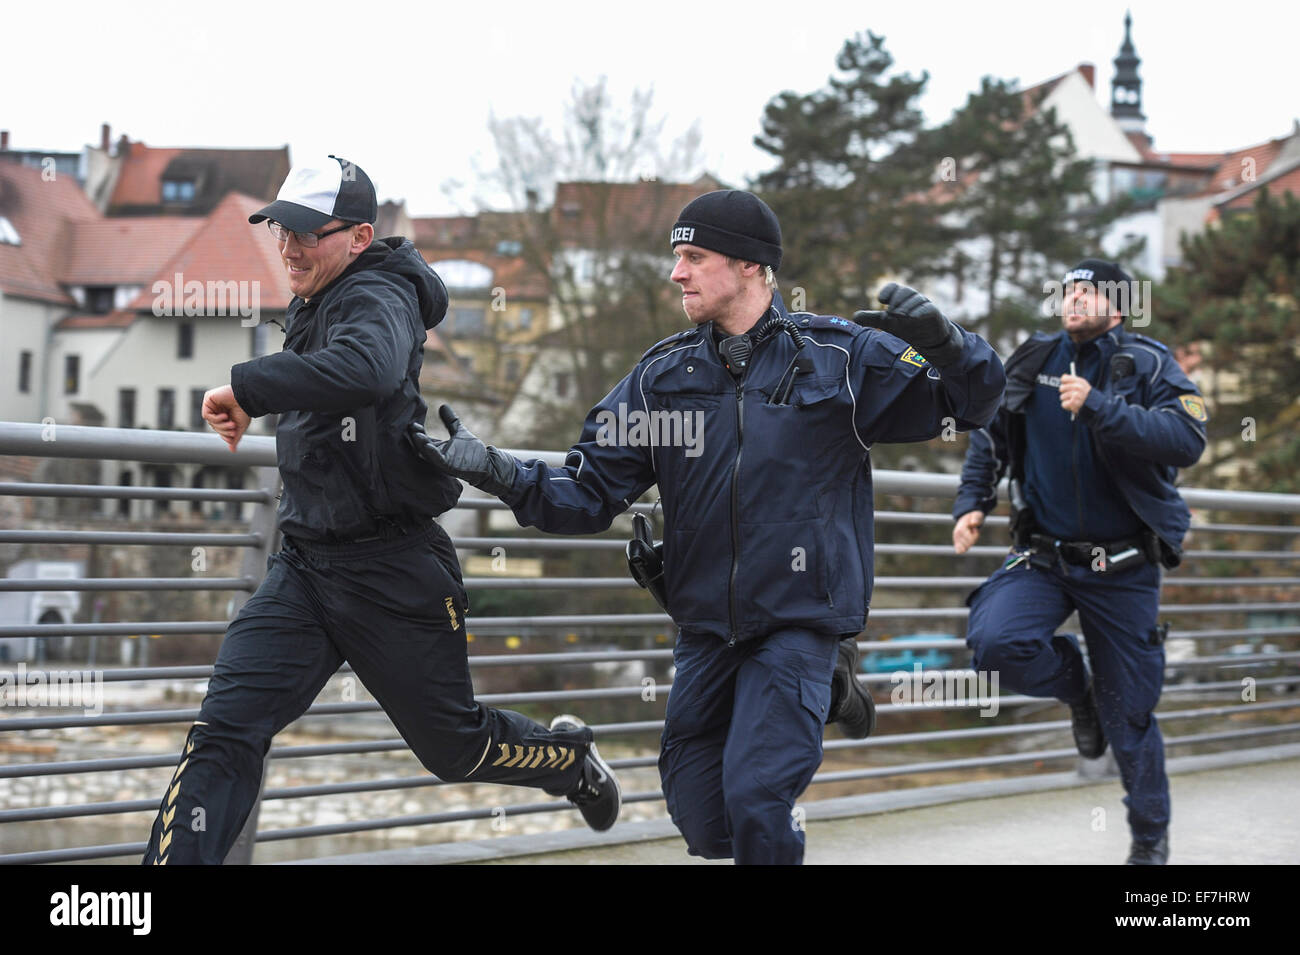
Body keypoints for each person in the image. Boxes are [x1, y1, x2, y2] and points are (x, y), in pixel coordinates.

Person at [410, 190, 1005, 864]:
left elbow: (975, 403)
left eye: (694, 256)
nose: (677, 273)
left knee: (757, 799)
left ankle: (821, 677)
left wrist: (951, 347)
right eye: (676, 257)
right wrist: (493, 469)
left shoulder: (840, 360)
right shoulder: (664, 378)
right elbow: (584, 493)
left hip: (799, 620)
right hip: (706, 630)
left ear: (751, 265)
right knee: (703, 817)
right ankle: (833, 692)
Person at [141, 156, 619, 865]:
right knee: (225, 728)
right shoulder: (314, 297)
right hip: (305, 568)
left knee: (457, 746)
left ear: (361, 235)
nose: (289, 246)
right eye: (280, 230)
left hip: (394, 569)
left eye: (307, 232)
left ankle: (568, 762)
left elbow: (363, 369)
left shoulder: (382, 295)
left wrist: (246, 386)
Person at [952, 258, 1208, 866]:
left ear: (1117, 307)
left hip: (1122, 569)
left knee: (1132, 716)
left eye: (1088, 292)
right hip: (1044, 558)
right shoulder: (1033, 361)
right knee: (995, 643)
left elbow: (1188, 440)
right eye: (1067, 290)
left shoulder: (1147, 364)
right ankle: (1079, 689)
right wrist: (973, 502)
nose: (1073, 299)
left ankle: (1149, 842)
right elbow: (989, 436)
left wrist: (1100, 408)